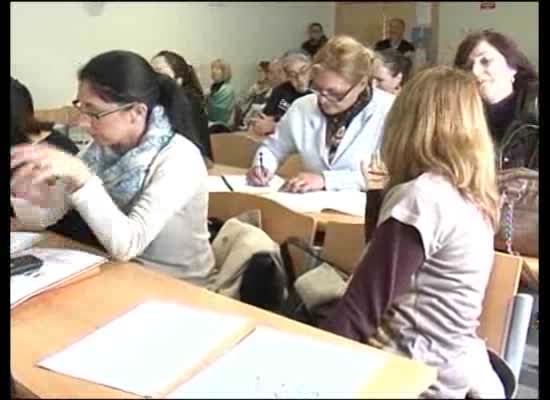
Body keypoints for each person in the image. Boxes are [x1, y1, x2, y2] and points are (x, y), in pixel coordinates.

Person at [320, 66, 505, 398]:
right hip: (446, 366)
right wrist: (378, 194)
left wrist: (306, 376)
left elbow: (362, 308)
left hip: (408, 375)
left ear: (408, 122)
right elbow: (392, 272)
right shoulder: (472, 195)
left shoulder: (423, 198)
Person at [11, 50, 215, 286]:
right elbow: (48, 216)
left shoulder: (180, 157)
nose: (83, 122)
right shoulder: (100, 150)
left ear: (136, 112)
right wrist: (27, 195)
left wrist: (83, 178)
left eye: (94, 112)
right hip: (122, 274)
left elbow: (129, 244)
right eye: (81, 108)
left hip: (181, 286)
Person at [247, 35, 394, 192]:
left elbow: (390, 175)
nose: (323, 100)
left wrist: (326, 180)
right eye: (318, 89)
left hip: (365, 209)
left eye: (334, 93)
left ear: (362, 83)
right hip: (313, 208)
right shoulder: (302, 107)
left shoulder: (390, 110)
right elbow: (273, 148)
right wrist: (262, 166)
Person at [454, 30, 538, 170]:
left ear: (512, 67)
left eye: (485, 61)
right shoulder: (459, 120)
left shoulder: (534, 113)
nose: (475, 72)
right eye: (468, 67)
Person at [151, 50, 212, 159]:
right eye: (150, 73)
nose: (152, 78)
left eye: (159, 73)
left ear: (179, 80)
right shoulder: (155, 101)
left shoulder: (189, 102)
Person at [250, 52, 313, 137]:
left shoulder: (317, 94)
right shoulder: (281, 90)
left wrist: (275, 126)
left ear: (311, 71)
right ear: (288, 76)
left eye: (303, 72)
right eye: (293, 75)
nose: (299, 79)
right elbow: (265, 117)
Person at [236, 60, 273, 130]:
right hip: (248, 117)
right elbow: (244, 98)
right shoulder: (256, 86)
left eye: (260, 71)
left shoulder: (272, 89)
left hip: (259, 119)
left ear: (267, 73)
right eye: (258, 71)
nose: (258, 74)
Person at [206, 58, 236, 130]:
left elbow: (221, 111)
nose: (214, 71)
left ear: (225, 72)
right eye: (212, 68)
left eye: (218, 69)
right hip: (210, 123)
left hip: (221, 126)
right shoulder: (214, 86)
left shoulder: (228, 90)